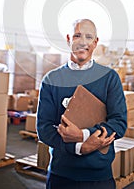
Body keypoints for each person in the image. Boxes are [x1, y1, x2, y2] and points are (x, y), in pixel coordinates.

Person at [36, 19, 127, 189]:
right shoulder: (51, 80)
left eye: (88, 37)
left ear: (95, 42)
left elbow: (119, 124)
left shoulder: (109, 78)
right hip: (61, 175)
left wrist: (83, 135)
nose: (83, 42)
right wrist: (79, 147)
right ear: (69, 39)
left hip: (99, 176)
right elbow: (44, 129)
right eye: (77, 35)